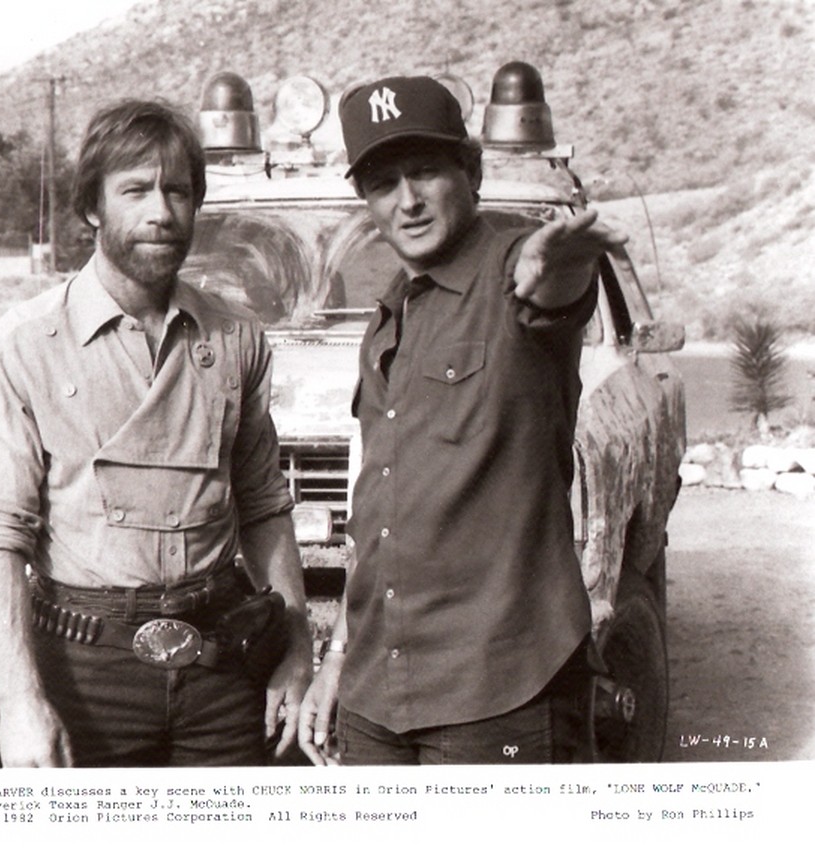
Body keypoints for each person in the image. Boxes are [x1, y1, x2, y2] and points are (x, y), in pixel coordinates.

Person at [0, 98, 312, 768]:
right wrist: (21, 700)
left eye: (177, 191)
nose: (161, 212)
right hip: (85, 672)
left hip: (223, 667)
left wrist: (297, 649)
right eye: (135, 190)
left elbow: (264, 505)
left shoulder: (235, 337)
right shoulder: (26, 343)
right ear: (92, 207)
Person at [298, 75, 627, 765]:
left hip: (499, 686)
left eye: (425, 172)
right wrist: (338, 659)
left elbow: (547, 289)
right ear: (366, 200)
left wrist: (563, 267)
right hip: (377, 692)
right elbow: (378, 515)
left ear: (470, 171)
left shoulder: (511, 266)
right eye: (383, 183)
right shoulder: (390, 315)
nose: (407, 200)